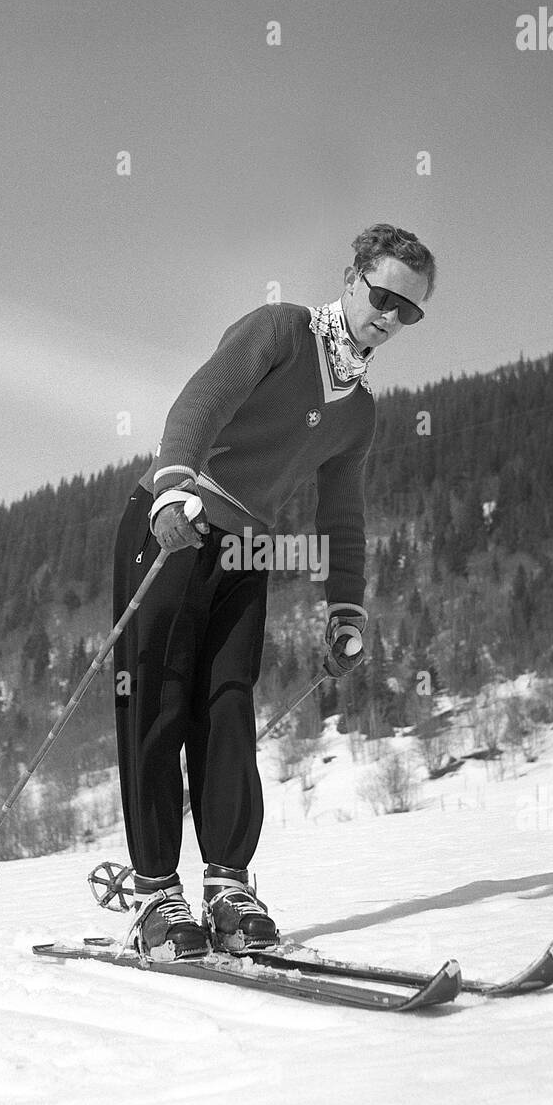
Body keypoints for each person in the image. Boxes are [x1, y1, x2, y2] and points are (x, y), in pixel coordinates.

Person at [111, 223, 436, 959]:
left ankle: (227, 888)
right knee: (158, 698)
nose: (390, 317)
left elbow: (342, 516)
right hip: (174, 521)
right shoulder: (281, 331)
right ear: (352, 279)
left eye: (409, 311)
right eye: (384, 297)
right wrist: (172, 486)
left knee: (227, 704)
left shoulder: (358, 411)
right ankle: (155, 894)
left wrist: (346, 608)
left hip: (245, 546)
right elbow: (200, 402)